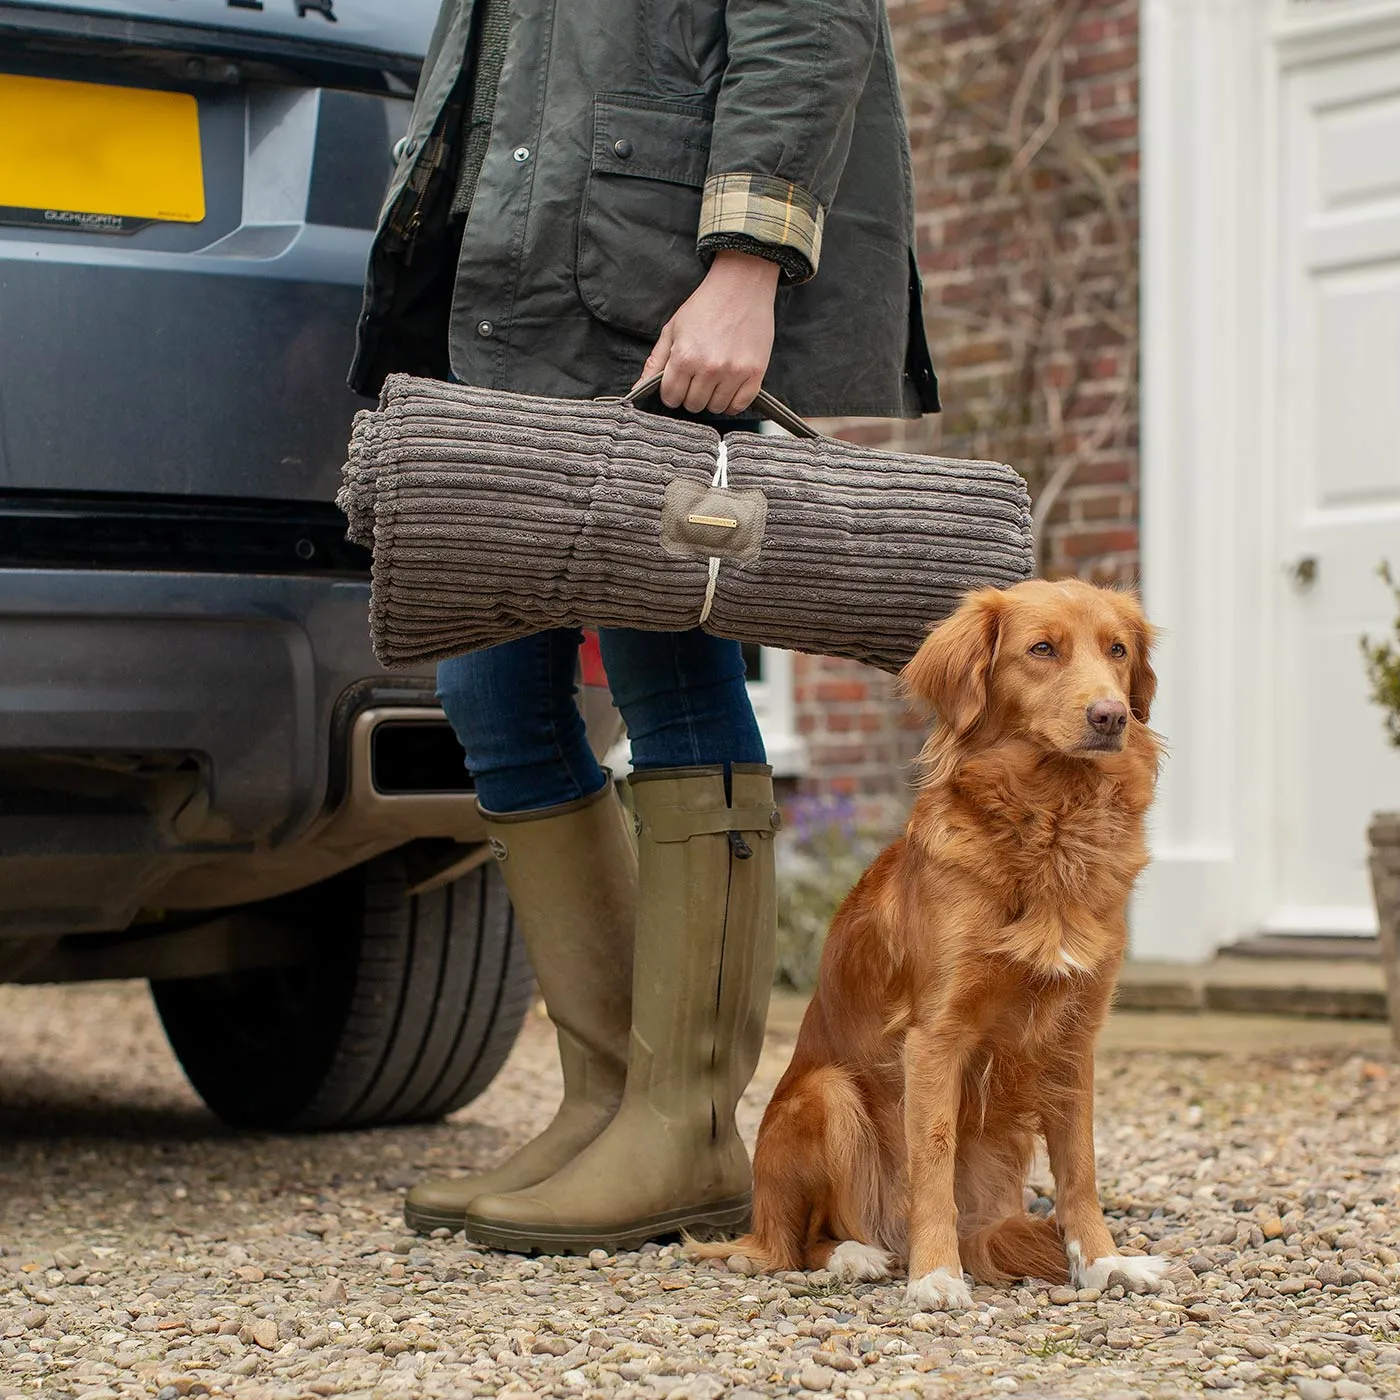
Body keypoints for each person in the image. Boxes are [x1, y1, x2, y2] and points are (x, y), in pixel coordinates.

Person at [348, 0, 940, 1255]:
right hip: (517, 283)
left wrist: (747, 264)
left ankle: (681, 1125)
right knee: (488, 690)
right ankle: (605, 1097)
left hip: (656, 276)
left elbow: (807, 24)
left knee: (669, 653)